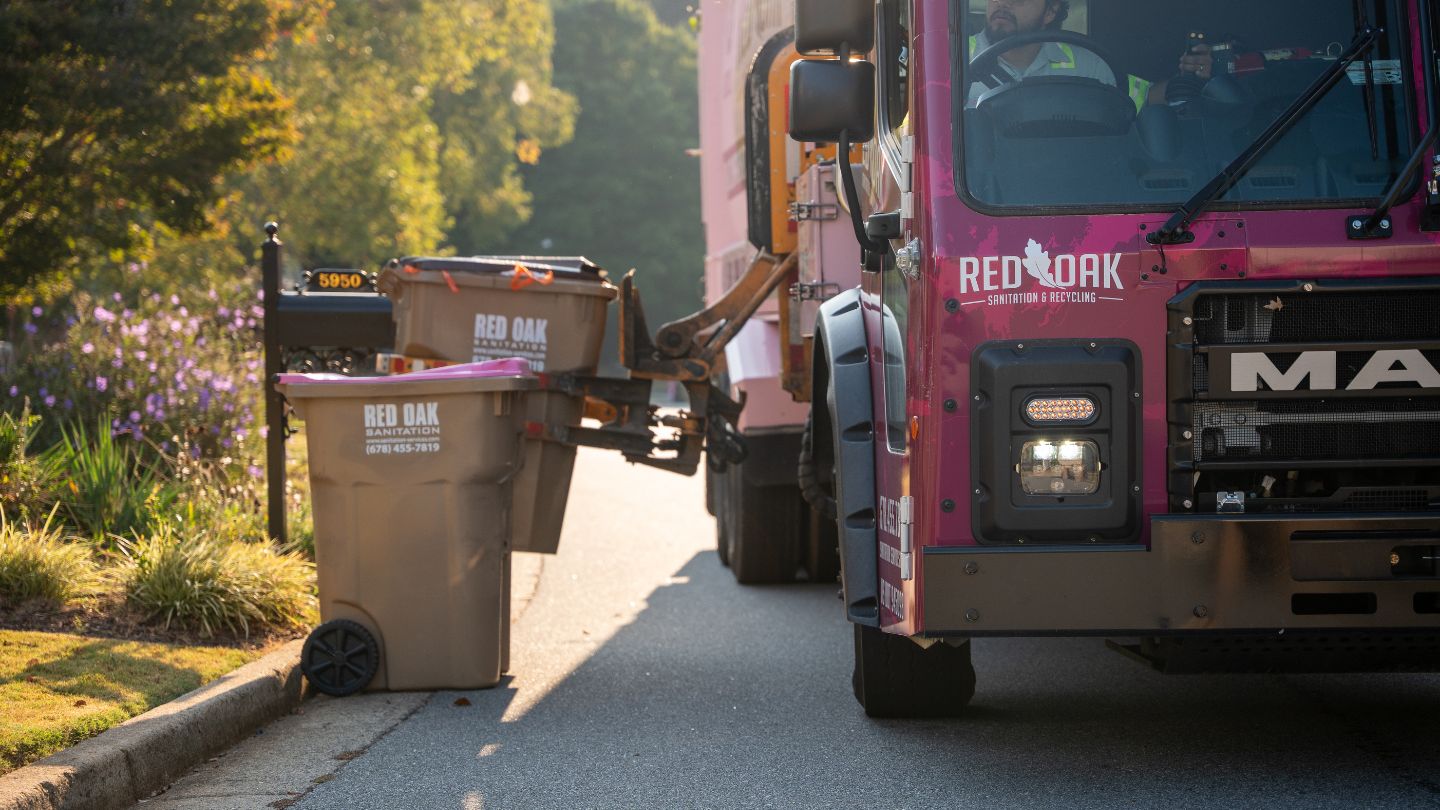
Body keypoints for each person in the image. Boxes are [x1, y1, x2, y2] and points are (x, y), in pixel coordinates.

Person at [966, 0, 1212, 111]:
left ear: (1050, 12)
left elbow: (1143, 98)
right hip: (985, 199)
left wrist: (1188, 79)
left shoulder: (1088, 64)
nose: (1002, 3)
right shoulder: (950, 62)